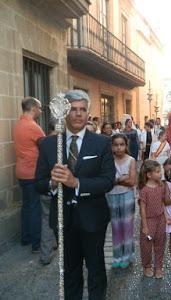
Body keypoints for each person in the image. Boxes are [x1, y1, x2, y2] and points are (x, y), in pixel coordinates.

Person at [35, 89, 115, 299]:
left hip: (93, 218)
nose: (78, 114)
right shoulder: (48, 144)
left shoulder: (102, 143)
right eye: (73, 109)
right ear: (64, 112)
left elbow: (107, 181)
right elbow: (39, 183)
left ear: (88, 113)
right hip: (63, 220)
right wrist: (53, 183)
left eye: (83, 110)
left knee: (96, 270)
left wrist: (76, 182)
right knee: (70, 272)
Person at [13, 96, 45, 253]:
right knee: (34, 208)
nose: (40, 110)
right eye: (39, 108)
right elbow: (45, 146)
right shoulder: (32, 126)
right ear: (33, 108)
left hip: (21, 171)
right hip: (32, 172)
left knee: (26, 206)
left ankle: (25, 238)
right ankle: (36, 244)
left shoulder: (18, 124)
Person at [106, 134, 136, 269]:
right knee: (116, 227)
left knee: (127, 226)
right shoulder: (108, 161)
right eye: (116, 145)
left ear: (126, 146)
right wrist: (120, 179)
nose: (119, 148)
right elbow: (106, 182)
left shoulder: (131, 160)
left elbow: (132, 182)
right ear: (112, 146)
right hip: (112, 196)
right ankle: (117, 256)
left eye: (121, 144)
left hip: (127, 196)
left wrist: (117, 181)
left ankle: (127, 255)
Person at [138, 160, 171, 279]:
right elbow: (142, 209)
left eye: (160, 171)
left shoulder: (161, 186)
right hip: (149, 220)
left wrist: (167, 216)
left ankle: (158, 267)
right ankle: (147, 266)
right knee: (146, 245)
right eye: (157, 172)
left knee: (160, 243)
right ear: (149, 175)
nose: (160, 174)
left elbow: (162, 203)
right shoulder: (144, 190)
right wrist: (145, 226)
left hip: (161, 219)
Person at [39, 121, 57, 265]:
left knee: (47, 220)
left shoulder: (43, 142)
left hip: (47, 187)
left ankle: (46, 253)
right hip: (52, 187)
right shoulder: (55, 144)